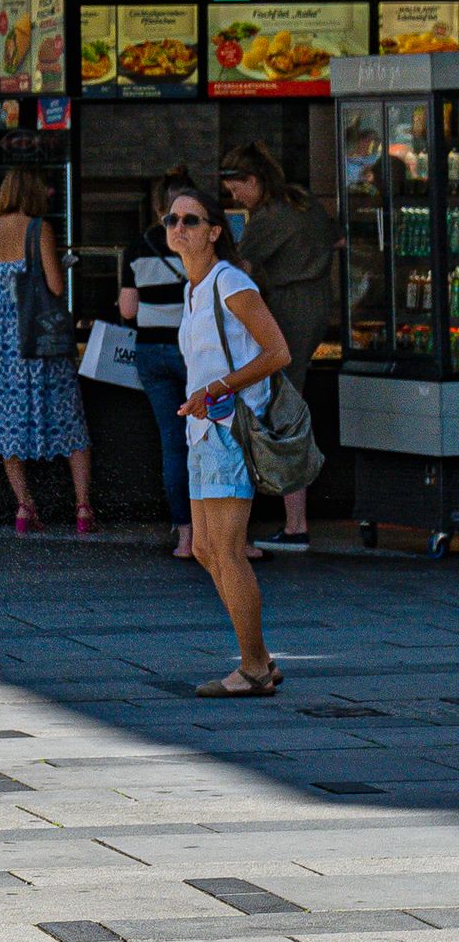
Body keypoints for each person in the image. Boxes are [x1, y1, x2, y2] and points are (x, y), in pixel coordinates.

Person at [167, 174, 293, 696]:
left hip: (229, 429)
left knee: (226, 549)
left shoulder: (229, 283)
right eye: (172, 219)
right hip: (203, 430)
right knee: (204, 550)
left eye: (190, 220)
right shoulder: (193, 288)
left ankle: (253, 666)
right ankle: (258, 661)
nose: (178, 227)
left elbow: (277, 352)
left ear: (215, 230)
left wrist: (218, 386)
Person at [224, 141, 336, 555]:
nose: (235, 197)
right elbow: (337, 240)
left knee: (285, 410)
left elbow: (236, 269)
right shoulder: (303, 202)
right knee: (290, 405)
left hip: (287, 311)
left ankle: (295, 524)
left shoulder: (269, 218)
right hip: (316, 305)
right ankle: (295, 522)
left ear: (254, 181)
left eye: (237, 189)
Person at [0, 165, 94, 534]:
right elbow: (56, 286)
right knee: (70, 421)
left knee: (4, 423)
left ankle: (25, 508)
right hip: (40, 340)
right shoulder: (39, 229)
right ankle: (83, 509)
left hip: (2, 341)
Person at [117, 200, 196, 560]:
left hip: (151, 352)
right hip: (192, 350)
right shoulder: (199, 243)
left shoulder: (138, 246)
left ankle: (185, 536)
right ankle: (221, 532)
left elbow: (128, 310)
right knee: (211, 438)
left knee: (172, 442)